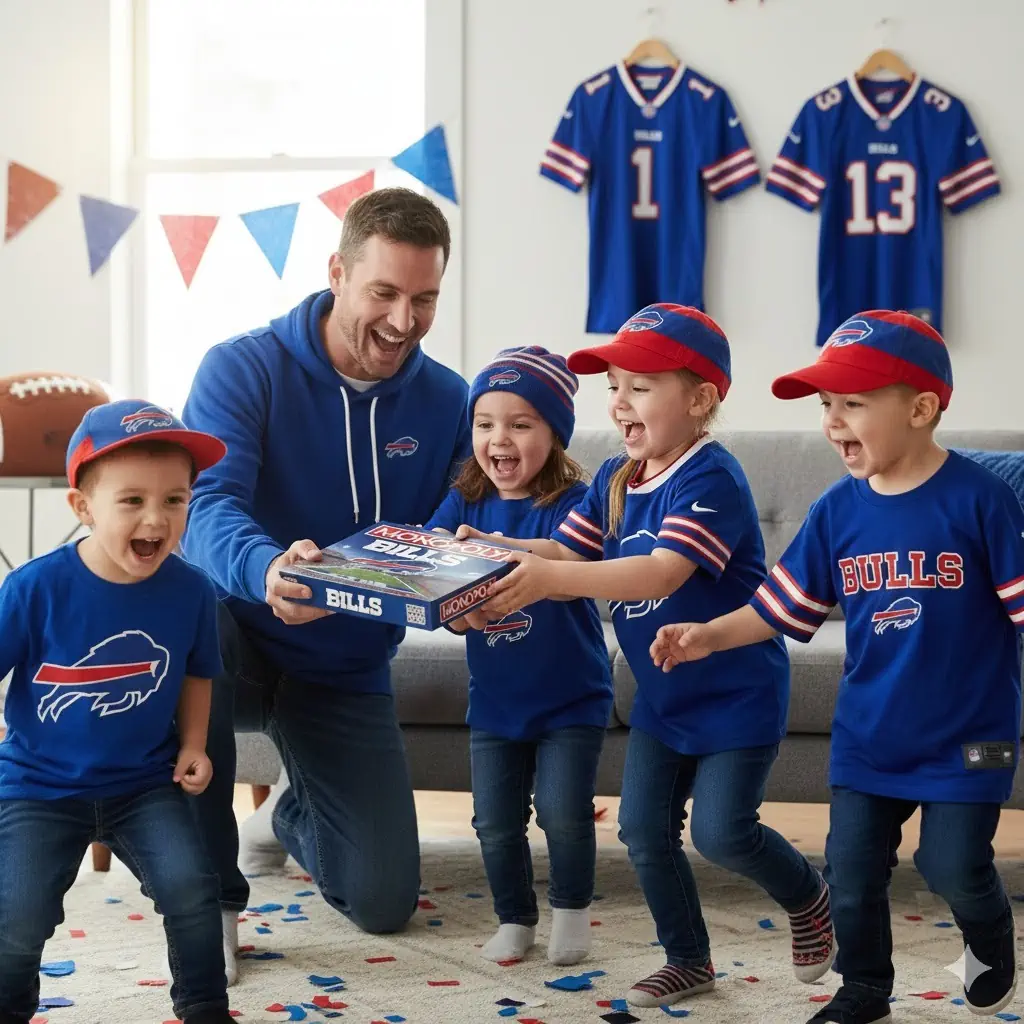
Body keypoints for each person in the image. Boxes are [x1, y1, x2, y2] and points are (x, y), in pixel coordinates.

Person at [456, 305, 834, 1008]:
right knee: (642, 832)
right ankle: (688, 959)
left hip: (735, 695)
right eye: (614, 387)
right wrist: (495, 548)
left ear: (700, 399)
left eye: (640, 386)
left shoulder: (710, 478)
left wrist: (547, 579)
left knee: (723, 833)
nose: (620, 402)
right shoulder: (614, 476)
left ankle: (810, 895)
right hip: (663, 698)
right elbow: (564, 549)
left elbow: (660, 573)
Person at [651, 310, 1023, 1023]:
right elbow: (780, 604)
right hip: (869, 736)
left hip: (972, 736)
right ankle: (864, 989)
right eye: (826, 404)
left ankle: (988, 933)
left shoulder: (982, 500)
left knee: (952, 866)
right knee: (850, 877)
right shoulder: (835, 512)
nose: (832, 421)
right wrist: (709, 635)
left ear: (921, 409)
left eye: (852, 402)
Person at [179, 186, 471, 981]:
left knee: (382, 902)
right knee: (188, 627)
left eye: (424, 299)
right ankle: (210, 904)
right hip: (236, 637)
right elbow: (206, 504)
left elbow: (454, 523)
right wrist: (266, 568)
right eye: (384, 293)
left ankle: (287, 813)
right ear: (337, 273)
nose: (403, 321)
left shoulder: (448, 400)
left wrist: (472, 571)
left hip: (343, 665)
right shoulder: (243, 368)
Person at [0, 400, 233, 1024]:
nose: (156, 518)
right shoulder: (33, 588)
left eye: (175, 499)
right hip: (38, 787)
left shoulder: (192, 590)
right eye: (132, 500)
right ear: (83, 507)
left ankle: (205, 1005)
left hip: (143, 783)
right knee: (17, 914)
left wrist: (193, 744)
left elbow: (198, 672)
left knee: (192, 889)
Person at [425, 346, 613, 966]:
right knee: (495, 821)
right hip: (495, 702)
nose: (498, 438)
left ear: (554, 433)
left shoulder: (576, 501)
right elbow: (430, 555)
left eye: (520, 423)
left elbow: (575, 559)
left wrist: (492, 546)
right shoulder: (463, 500)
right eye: (484, 424)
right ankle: (514, 918)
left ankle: (572, 913)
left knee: (563, 814)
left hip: (571, 698)